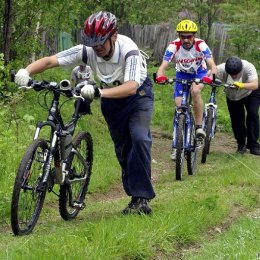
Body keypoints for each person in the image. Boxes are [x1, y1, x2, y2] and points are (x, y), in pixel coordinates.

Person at [15, 11, 155, 215]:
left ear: (113, 36)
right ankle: (134, 194)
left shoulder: (129, 50)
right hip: (110, 97)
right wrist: (25, 71)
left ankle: (141, 198)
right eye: (92, 43)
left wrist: (99, 92)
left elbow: (132, 86)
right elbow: (50, 61)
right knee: (124, 148)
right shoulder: (87, 50)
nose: (96, 47)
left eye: (101, 42)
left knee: (140, 139)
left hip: (138, 96)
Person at [155, 19, 218, 160]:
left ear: (194, 36)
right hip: (181, 74)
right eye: (182, 36)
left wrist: (210, 76)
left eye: (189, 36)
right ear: (179, 36)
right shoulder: (174, 46)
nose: (186, 39)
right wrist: (160, 76)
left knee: (195, 92)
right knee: (179, 108)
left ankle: (199, 127)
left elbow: (212, 66)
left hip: (199, 72)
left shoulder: (201, 45)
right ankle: (176, 146)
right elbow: (162, 66)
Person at [216, 56, 260, 155]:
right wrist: (211, 79)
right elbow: (210, 74)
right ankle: (241, 145)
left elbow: (255, 85)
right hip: (233, 96)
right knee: (237, 120)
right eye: (231, 74)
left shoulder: (248, 67)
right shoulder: (221, 68)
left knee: (253, 114)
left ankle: (254, 145)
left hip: (250, 92)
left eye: (236, 74)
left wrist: (242, 85)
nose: (234, 76)